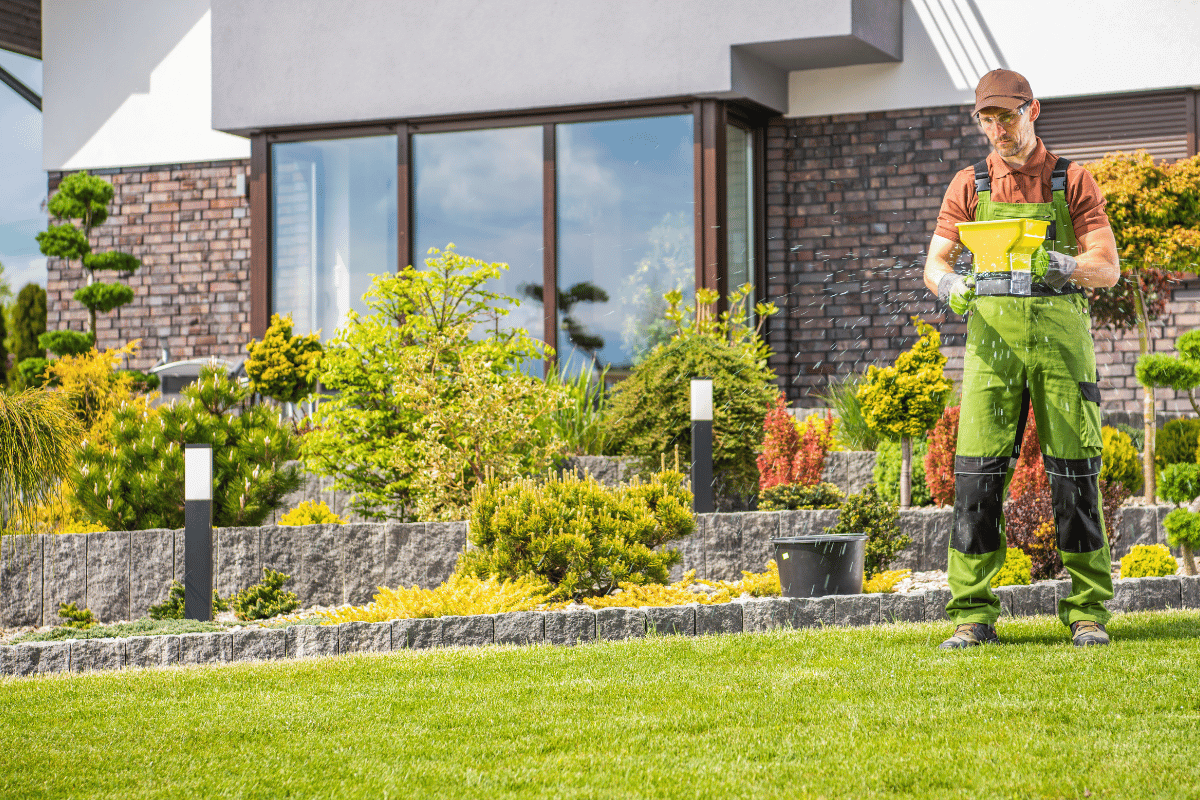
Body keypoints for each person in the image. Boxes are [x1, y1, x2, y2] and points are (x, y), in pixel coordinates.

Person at [923, 69, 1120, 649]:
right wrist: (949, 286)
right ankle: (972, 613)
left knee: (1074, 473)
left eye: (1006, 116)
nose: (997, 130)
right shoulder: (970, 183)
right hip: (990, 344)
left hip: (1062, 343)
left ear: (1033, 110)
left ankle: (1087, 611)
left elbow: (1106, 268)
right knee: (976, 476)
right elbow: (934, 264)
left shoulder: (1071, 181)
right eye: (987, 119)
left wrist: (1061, 265)